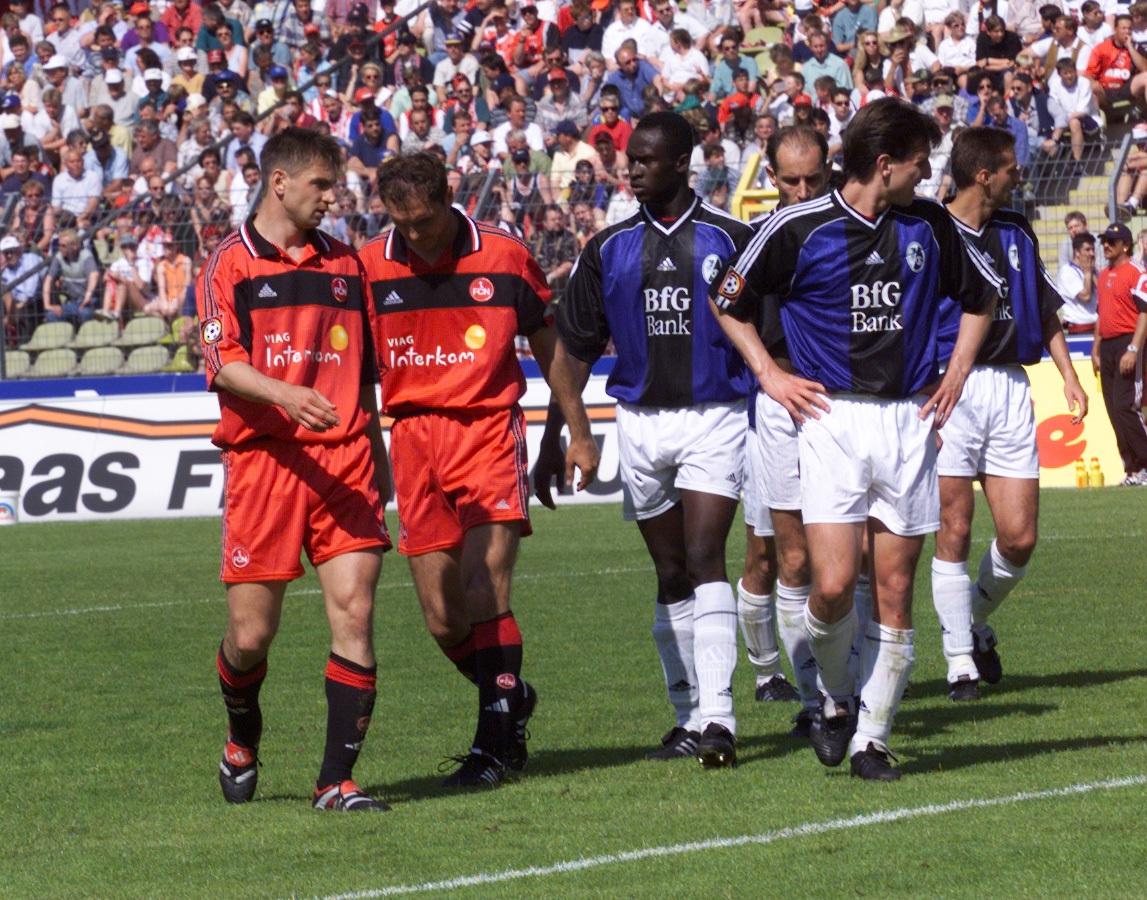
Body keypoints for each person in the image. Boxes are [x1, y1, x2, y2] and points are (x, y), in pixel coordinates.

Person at [709, 98, 1001, 781]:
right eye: (919, 165)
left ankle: (872, 738)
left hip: (907, 420)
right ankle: (833, 697)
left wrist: (955, 372)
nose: (929, 179)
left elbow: (983, 297)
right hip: (831, 419)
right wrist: (771, 376)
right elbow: (727, 301)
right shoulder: (797, 227)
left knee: (893, 587)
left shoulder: (927, 223)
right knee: (833, 584)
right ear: (883, 164)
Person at [358, 153, 597, 788]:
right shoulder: (369, 266)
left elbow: (550, 346)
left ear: (449, 196)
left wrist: (577, 431)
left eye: (426, 221)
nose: (416, 236)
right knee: (442, 616)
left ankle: (493, 746)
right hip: (412, 438)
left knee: (485, 588)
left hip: (487, 429)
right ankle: (510, 693)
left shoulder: (504, 254)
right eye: (401, 224)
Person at [548, 112, 756, 768]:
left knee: (703, 557)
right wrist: (564, 433)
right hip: (638, 424)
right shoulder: (608, 249)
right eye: (628, 159)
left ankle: (719, 716)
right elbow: (572, 351)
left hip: (713, 417)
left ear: (679, 164)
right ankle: (686, 715)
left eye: (645, 159)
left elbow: (772, 333)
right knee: (668, 571)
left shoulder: (733, 238)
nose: (631, 167)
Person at [195, 127, 392, 812]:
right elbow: (222, 363)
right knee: (250, 637)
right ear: (278, 182)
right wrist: (285, 395)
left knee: (355, 612)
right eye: (320, 185)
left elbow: (365, 370)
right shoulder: (230, 264)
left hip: (345, 460)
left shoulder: (346, 264)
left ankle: (335, 781)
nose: (331, 198)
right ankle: (241, 733)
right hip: (264, 463)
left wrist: (377, 454)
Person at [930, 127, 1088, 702]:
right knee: (955, 527)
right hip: (950, 390)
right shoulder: (930, 229)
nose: (1018, 172)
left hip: (1009, 390)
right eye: (1010, 165)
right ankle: (958, 664)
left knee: (1019, 538)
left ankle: (967, 623)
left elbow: (1045, 310)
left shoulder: (1017, 229)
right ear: (982, 174)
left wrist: (1068, 375)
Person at [737, 126, 830, 731]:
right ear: (771, 178)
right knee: (768, 554)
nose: (801, 190)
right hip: (773, 408)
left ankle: (823, 685)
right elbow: (725, 313)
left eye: (813, 179)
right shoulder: (755, 241)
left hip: (837, 403)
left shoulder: (842, 233)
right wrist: (769, 374)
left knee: (845, 553)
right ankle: (770, 665)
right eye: (790, 180)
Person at [1092, 222, 1147, 484]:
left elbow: (1145, 312)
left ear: (1125, 245)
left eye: (1111, 242)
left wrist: (1134, 348)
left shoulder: (1137, 272)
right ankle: (1132, 469)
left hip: (1128, 341)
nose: (1105, 245)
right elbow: (1100, 316)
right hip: (1108, 346)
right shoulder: (1104, 275)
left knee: (1127, 405)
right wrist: (1095, 349)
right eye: (1104, 241)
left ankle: (1144, 463)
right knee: (1114, 409)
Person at [1057, 231, 1099, 332]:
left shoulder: (1092, 270)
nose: (1092, 253)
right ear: (1077, 252)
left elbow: (1103, 293)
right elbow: (1085, 296)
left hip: (1096, 325)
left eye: (1093, 249)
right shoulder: (1067, 272)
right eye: (1087, 250)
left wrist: (1092, 273)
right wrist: (1088, 273)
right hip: (1079, 328)